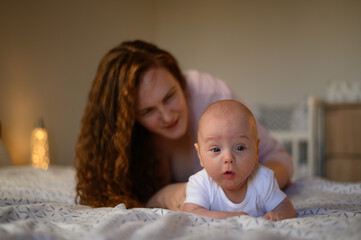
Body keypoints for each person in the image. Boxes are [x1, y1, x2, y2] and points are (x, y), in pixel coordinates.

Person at [74, 40, 293, 210]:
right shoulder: (126, 137)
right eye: (147, 111)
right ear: (130, 119)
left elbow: (281, 160)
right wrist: (167, 195)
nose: (167, 117)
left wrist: (245, 186)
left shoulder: (211, 96)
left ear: (180, 81)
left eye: (170, 97)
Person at [183, 100, 296, 221]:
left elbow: (285, 207)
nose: (228, 158)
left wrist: (280, 215)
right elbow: (191, 214)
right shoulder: (200, 183)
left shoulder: (263, 179)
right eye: (216, 149)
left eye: (240, 148)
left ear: (256, 151)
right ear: (200, 154)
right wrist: (233, 218)